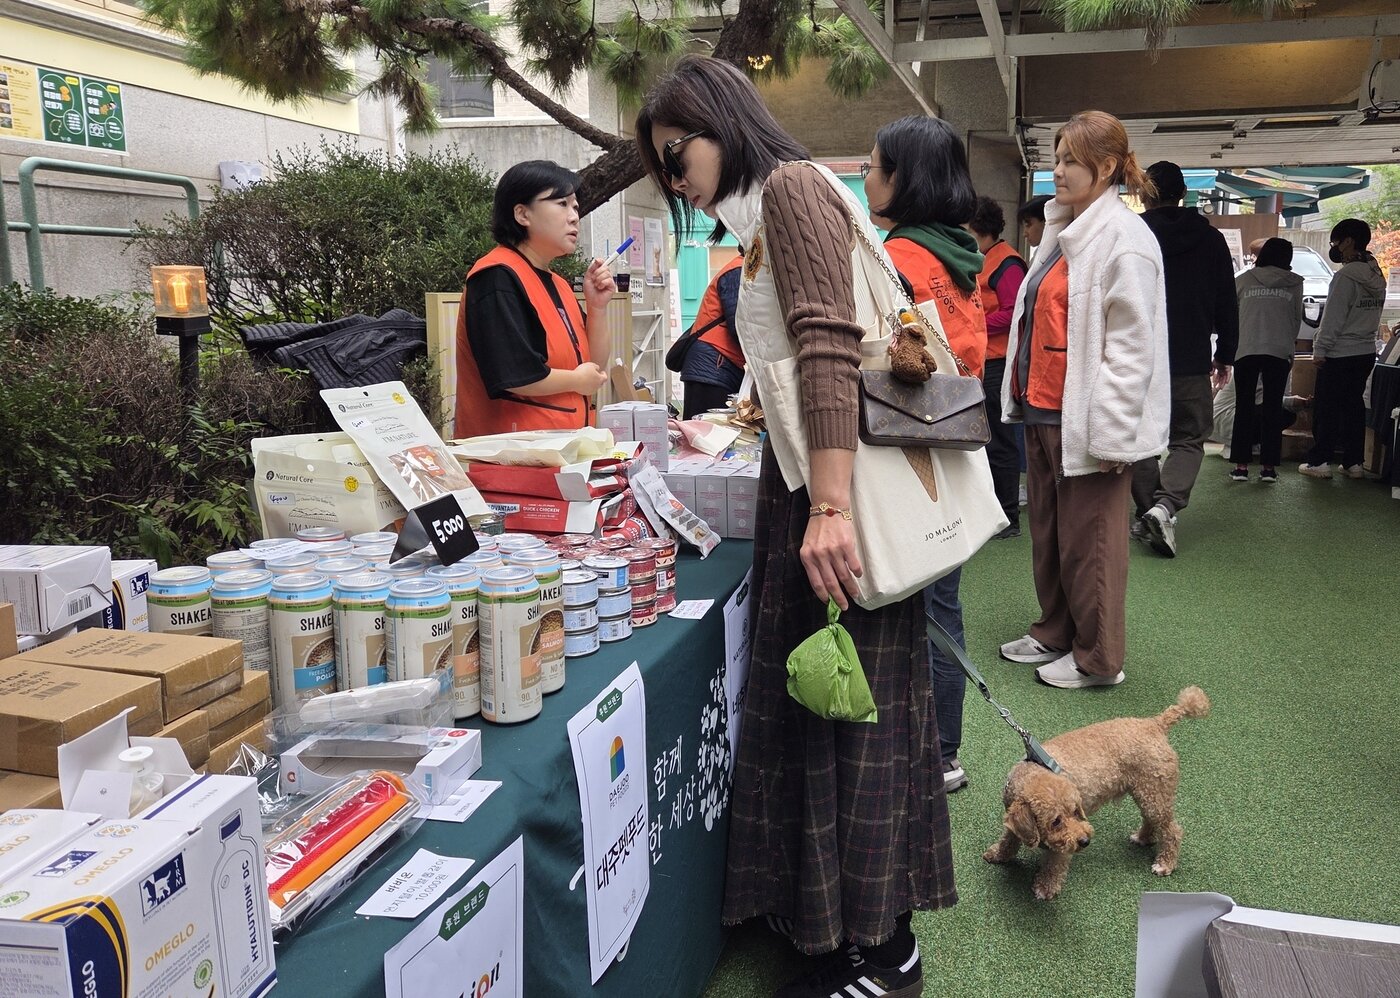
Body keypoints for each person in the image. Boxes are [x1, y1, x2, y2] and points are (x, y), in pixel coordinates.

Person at [637, 58, 953, 998]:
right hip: (819, 495)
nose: (674, 176)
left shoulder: (791, 191)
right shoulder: (775, 210)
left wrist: (825, 507)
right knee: (827, 712)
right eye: (663, 163)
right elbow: (796, 356)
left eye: (677, 152)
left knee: (854, 719)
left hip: (838, 504)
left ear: (721, 124)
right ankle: (831, 929)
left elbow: (827, 346)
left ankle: (885, 950)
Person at [997, 110, 1170, 690]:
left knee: (1090, 541)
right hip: (1045, 409)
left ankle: (1100, 660)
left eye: (1071, 160)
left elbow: (1131, 351)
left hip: (1088, 421)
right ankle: (1055, 631)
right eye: (1057, 157)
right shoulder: (1065, 229)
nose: (1058, 170)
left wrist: (1116, 437)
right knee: (1049, 532)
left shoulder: (1125, 240)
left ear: (1107, 167)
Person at [864, 114, 983, 796]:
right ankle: (944, 749)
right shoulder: (959, 254)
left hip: (906, 453)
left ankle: (925, 752)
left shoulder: (900, 258)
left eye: (874, 166)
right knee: (944, 604)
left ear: (902, 179)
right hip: (955, 444)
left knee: (912, 607)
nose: (867, 177)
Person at [454, 160, 615, 437]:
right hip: (509, 460)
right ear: (522, 214)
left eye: (575, 207)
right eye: (561, 204)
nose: (574, 216)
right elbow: (516, 375)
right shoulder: (496, 277)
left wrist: (597, 307)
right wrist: (578, 380)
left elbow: (594, 365)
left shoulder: (559, 285)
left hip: (559, 452)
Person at [1130, 161, 1237, 558]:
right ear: (1184, 195)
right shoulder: (1210, 241)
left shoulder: (1134, 233)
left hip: (1137, 356)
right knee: (1189, 438)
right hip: (1190, 357)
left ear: (1144, 193)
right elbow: (1228, 299)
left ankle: (1149, 510)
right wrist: (1225, 353)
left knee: (1138, 438)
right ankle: (1165, 506)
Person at [1300, 218, 1386, 479]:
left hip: (1339, 351)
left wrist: (1320, 349)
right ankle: (1353, 463)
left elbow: (1333, 317)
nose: (1335, 246)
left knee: (1327, 406)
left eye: (1336, 241)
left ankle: (1320, 462)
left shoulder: (1345, 276)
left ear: (1348, 241)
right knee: (1353, 406)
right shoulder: (1376, 273)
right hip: (1365, 350)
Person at [968, 195, 1029, 538]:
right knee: (989, 440)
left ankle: (1008, 519)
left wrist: (975, 320)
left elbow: (1014, 310)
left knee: (1000, 443)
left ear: (978, 228)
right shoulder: (988, 258)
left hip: (998, 363)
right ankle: (998, 514)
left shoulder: (1007, 263)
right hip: (985, 361)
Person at [1230, 238, 1304, 483]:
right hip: (1279, 349)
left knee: (1244, 407)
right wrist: (1288, 348)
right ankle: (1268, 468)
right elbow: (1296, 320)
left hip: (1246, 347)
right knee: (1273, 408)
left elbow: (1232, 316)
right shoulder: (1294, 284)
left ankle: (1241, 466)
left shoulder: (1242, 280)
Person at [679, 252, 745, 419]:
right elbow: (740, 326)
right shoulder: (738, 271)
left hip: (714, 366)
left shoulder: (739, 269)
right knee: (704, 436)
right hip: (713, 367)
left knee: (706, 435)